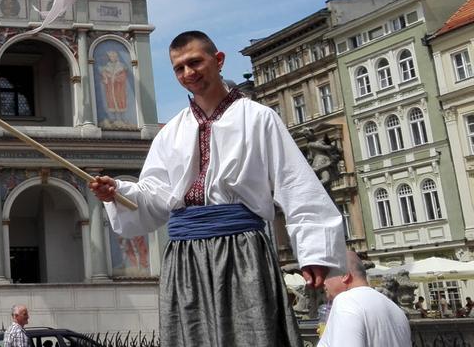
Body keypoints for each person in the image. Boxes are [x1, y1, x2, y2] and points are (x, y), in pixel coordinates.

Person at [89, 31, 346, 347]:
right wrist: (118, 192)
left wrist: (314, 251)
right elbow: (155, 197)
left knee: (251, 336)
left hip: (241, 249)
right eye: (179, 68)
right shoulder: (170, 133)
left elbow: (294, 183)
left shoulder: (258, 118)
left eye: (195, 62)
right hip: (184, 256)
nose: (188, 73)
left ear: (219, 60)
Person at [318, 251, 411, 346]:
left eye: (326, 275)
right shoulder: (396, 310)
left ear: (345, 275)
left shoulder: (347, 301)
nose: (323, 282)